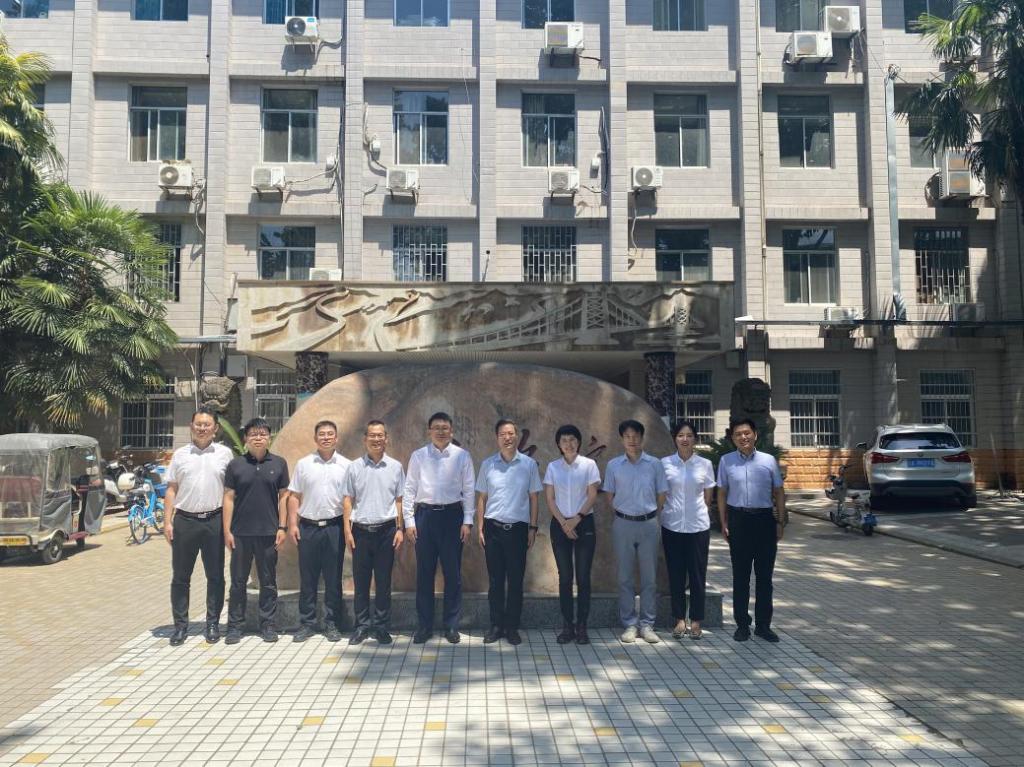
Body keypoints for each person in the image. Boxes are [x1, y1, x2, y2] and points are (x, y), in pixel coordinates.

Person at [403, 411, 475, 644]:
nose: (441, 432)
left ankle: (451, 625)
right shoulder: (418, 456)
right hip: (424, 517)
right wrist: (409, 521)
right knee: (425, 573)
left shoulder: (462, 456)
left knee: (452, 574)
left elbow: (469, 490)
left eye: (445, 428)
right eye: (436, 428)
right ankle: (424, 626)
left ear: (451, 431)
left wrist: (467, 521)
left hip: (453, 517)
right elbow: (409, 489)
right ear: (429, 431)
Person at [164, 407, 234, 647]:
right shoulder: (180, 455)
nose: (202, 428)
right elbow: (171, 489)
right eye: (198, 424)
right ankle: (180, 626)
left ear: (215, 428)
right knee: (180, 577)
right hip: (185, 521)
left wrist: (229, 526)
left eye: (207, 425)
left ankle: (212, 624)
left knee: (215, 576)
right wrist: (167, 522)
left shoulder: (225, 454)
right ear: (191, 427)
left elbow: (230, 492)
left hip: (214, 521)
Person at [716, 418, 786, 643]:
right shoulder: (726, 461)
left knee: (765, 577)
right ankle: (742, 625)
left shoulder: (768, 460)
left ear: (755, 434)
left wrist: (780, 521)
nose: (743, 437)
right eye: (738, 434)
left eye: (747, 433)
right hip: (739, 521)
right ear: (732, 438)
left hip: (764, 521)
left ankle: (763, 625)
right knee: (741, 576)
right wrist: (723, 522)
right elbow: (721, 493)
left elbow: (779, 492)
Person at [222, 418, 290, 644]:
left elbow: (284, 497)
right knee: (238, 582)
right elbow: (228, 498)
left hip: (269, 533)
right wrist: (227, 531)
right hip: (240, 533)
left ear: (269, 437)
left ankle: (268, 625)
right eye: (253, 434)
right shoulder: (236, 465)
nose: (258, 438)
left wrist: (282, 527)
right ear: (246, 439)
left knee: (268, 582)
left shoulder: (279, 463)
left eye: (262, 434)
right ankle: (235, 626)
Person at [475, 419, 542, 646]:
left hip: (518, 530)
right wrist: (480, 526)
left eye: (511, 433)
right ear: (497, 438)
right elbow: (482, 498)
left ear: (516, 436)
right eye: (503, 434)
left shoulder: (528, 465)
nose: (507, 437)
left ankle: (512, 627)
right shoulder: (488, 464)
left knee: (515, 580)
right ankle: (496, 625)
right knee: (495, 581)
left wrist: (533, 527)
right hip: (492, 529)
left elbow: (534, 498)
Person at [603, 419, 668, 644]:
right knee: (625, 577)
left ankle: (647, 624)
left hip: (649, 523)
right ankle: (630, 624)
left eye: (636, 436)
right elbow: (609, 494)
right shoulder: (613, 465)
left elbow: (662, 493)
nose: (632, 440)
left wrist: (653, 513)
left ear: (642, 437)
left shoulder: (654, 464)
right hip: (623, 524)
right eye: (627, 436)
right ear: (622, 439)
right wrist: (621, 512)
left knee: (650, 578)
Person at [286, 420, 350, 644]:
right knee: (308, 578)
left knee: (333, 578)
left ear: (336, 438)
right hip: (308, 527)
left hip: (335, 527)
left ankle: (332, 623)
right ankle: (307, 623)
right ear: (315, 438)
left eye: (330, 434)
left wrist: (348, 529)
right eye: (321, 434)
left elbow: (350, 500)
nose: (326, 437)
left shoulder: (346, 465)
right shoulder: (304, 464)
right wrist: (292, 524)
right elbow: (294, 496)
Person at [343, 420, 405, 646]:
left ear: (386, 438)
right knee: (361, 583)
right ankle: (361, 626)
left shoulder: (395, 467)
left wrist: (400, 528)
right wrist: (347, 530)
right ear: (365, 439)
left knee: (383, 582)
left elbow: (399, 500)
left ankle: (381, 627)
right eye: (372, 435)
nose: (376, 439)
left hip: (387, 531)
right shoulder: (354, 467)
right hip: (360, 531)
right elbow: (347, 500)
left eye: (380, 435)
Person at [543, 424, 601, 645]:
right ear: (558, 444)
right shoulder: (553, 467)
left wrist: (576, 519)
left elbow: (592, 495)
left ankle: (582, 625)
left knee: (583, 577)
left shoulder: (589, 465)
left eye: (573, 439)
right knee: (565, 577)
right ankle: (568, 625)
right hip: (560, 524)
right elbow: (550, 499)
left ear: (579, 442)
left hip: (584, 523)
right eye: (564, 440)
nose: (569, 444)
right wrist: (564, 523)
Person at [661, 420, 715, 641]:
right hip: (672, 525)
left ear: (695, 439)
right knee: (675, 574)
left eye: (689, 435)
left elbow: (708, 495)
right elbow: (662, 493)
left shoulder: (705, 464)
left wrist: (698, 512)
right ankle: (679, 620)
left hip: (698, 526)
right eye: (681, 435)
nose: (685, 439)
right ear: (675, 438)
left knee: (697, 575)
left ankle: (696, 620)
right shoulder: (664, 463)